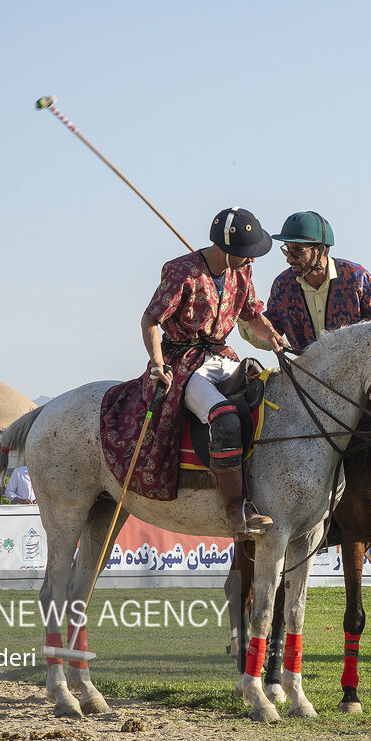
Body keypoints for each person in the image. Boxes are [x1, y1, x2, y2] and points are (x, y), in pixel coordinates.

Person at [105, 206, 286, 538]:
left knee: (265, 399)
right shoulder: (182, 272)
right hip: (184, 364)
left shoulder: (242, 272)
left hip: (222, 356)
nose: (251, 260)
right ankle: (235, 511)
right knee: (226, 417)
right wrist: (158, 364)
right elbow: (151, 320)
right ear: (225, 249)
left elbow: (252, 313)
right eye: (245, 254)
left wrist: (271, 335)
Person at [244, 211, 371, 351]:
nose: (289, 258)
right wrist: (241, 308)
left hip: (358, 377)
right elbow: (266, 338)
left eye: (297, 251)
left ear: (321, 250)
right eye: (287, 249)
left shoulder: (357, 277)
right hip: (305, 378)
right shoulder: (282, 286)